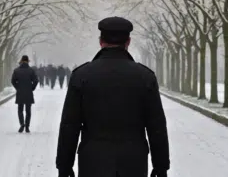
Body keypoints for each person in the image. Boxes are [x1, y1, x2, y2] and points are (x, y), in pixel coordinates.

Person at [55, 16, 170, 177]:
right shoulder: (145, 77)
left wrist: (64, 165)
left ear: (101, 42)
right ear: (128, 42)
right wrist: (161, 166)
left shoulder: (81, 75)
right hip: (134, 162)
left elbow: (70, 124)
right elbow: (156, 125)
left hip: (93, 162)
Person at [11, 55, 39, 133]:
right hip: (28, 92)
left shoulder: (16, 70)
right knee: (28, 111)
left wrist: (17, 88)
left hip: (20, 92)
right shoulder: (31, 70)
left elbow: (13, 81)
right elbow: (36, 80)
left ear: (21, 61)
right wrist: (32, 88)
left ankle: (22, 124)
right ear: (27, 61)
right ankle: (27, 126)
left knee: (20, 110)